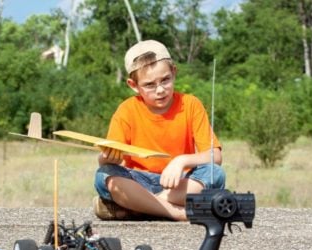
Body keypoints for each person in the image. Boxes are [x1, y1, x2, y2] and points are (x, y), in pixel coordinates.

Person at [93, 40, 226, 221]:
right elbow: (106, 161)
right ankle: (177, 213)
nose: (160, 90)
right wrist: (107, 157)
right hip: (138, 182)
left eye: (165, 80)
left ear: (174, 72)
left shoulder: (191, 104)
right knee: (104, 174)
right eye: (149, 85)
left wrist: (182, 161)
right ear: (133, 85)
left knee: (215, 174)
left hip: (179, 184)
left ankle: (137, 208)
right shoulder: (126, 109)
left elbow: (215, 156)